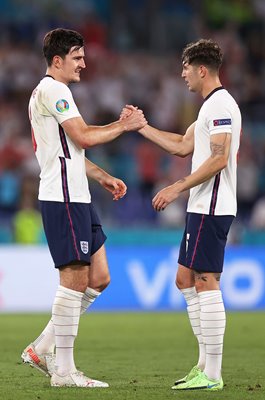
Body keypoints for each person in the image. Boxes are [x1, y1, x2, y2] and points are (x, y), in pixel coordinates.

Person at [21, 28, 147, 388]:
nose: (83, 63)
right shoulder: (54, 90)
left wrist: (103, 176)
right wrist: (125, 125)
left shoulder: (53, 92)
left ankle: (41, 347)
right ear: (57, 61)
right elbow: (85, 137)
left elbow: (72, 150)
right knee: (74, 279)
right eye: (77, 56)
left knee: (99, 277)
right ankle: (63, 371)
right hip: (62, 196)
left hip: (78, 194)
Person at [121, 39, 241, 391]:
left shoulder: (221, 104)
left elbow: (220, 158)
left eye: (186, 68)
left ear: (202, 69)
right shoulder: (208, 107)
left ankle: (213, 374)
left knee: (206, 280)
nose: (182, 74)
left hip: (211, 206)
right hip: (200, 207)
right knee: (184, 280)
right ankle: (203, 364)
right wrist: (140, 126)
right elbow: (181, 145)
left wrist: (177, 187)